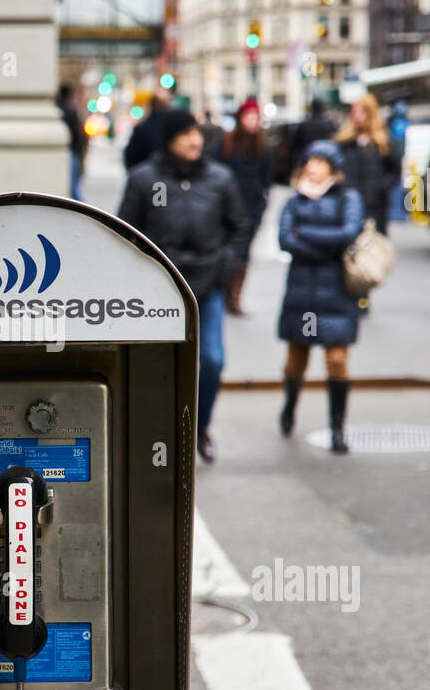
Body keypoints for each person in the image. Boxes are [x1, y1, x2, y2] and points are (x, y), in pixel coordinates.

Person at [118, 109, 249, 464]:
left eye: (198, 134)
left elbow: (239, 225)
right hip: (160, 290)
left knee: (212, 360)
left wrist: (225, 267)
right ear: (170, 138)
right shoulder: (145, 179)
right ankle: (157, 434)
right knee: (156, 367)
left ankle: (200, 427)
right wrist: (145, 276)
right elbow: (126, 232)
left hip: (208, 287)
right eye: (186, 134)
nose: (195, 140)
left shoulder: (220, 178)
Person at [277, 140, 364, 454]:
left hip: (337, 292)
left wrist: (306, 235)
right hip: (301, 291)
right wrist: (324, 246)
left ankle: (337, 430)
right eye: (309, 160)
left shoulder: (348, 198)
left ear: (333, 166)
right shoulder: (294, 200)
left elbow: (348, 234)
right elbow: (284, 239)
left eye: (320, 160)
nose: (312, 166)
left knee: (337, 362)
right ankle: (289, 407)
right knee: (295, 362)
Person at [220, 97, 272, 314]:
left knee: (244, 255)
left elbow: (267, 178)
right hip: (226, 208)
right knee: (226, 251)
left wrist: (260, 205)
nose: (252, 121)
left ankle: (234, 296)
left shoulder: (265, 147)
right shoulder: (228, 144)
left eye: (255, 117)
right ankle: (223, 292)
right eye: (248, 116)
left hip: (251, 209)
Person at [333, 92, 399, 235]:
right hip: (349, 200)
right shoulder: (345, 141)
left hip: (375, 203)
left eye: (361, 112)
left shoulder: (383, 141)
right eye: (354, 112)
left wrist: (380, 187)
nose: (357, 116)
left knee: (374, 245)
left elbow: (395, 171)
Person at [57, 83, 87, 201]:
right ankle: (84, 211)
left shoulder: (58, 109)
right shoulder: (71, 110)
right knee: (74, 185)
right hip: (72, 152)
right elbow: (77, 134)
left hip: (62, 152)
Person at [123, 94, 169, 170]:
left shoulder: (143, 126)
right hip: (167, 173)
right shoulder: (171, 127)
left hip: (144, 170)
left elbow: (131, 154)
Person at [289, 97, 334, 174]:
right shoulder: (328, 125)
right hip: (322, 164)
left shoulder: (304, 125)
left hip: (306, 161)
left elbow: (294, 144)